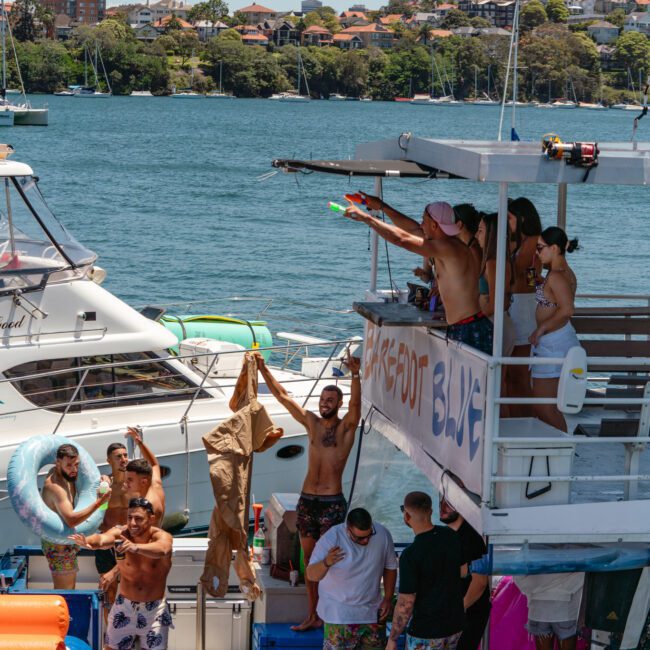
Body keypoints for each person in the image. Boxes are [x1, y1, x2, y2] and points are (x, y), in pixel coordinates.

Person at [254, 351, 361, 631]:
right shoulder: (311, 423)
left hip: (331, 503)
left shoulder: (345, 430)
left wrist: (355, 375)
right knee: (311, 564)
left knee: (330, 563)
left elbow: (357, 410)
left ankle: (330, 615)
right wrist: (263, 369)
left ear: (339, 404)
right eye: (323, 400)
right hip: (307, 502)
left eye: (330, 401)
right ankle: (313, 615)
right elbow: (284, 399)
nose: (325, 404)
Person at [343, 200, 492, 355]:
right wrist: (382, 206)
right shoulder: (446, 244)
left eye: (424, 221)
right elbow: (412, 229)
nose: (421, 225)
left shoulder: (449, 247)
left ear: (434, 225)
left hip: (470, 328)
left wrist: (367, 218)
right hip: (465, 325)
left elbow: (401, 239)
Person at [70, 497, 174, 650]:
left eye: (138, 519)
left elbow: (163, 549)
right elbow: (102, 538)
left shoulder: (161, 536)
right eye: (129, 517)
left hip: (154, 609)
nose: (132, 523)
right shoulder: (121, 534)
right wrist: (88, 542)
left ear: (151, 519)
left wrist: (135, 547)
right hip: (124, 607)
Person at [306, 508, 397, 650]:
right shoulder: (332, 538)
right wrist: (326, 563)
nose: (366, 540)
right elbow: (311, 574)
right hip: (338, 615)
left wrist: (388, 598)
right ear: (348, 530)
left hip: (371, 614)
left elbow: (390, 567)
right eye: (360, 538)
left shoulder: (382, 534)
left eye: (369, 535)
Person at [387, 492, 464, 650]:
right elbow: (462, 571)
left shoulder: (410, 555)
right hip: (455, 626)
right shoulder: (450, 536)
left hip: (426, 632)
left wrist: (393, 638)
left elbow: (405, 604)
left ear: (406, 516)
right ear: (430, 511)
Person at [530, 227, 581, 432]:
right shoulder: (561, 274)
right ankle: (558, 446)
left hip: (554, 344)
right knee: (547, 406)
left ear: (555, 248)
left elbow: (567, 309)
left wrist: (541, 328)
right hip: (557, 341)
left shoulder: (557, 276)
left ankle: (562, 447)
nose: (537, 252)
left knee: (544, 406)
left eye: (540, 248)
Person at [41, 443, 112, 589]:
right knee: (66, 592)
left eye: (77, 465)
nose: (74, 470)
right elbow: (71, 520)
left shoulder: (67, 474)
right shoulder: (56, 488)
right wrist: (99, 503)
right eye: (69, 465)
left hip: (69, 541)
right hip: (59, 546)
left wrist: (104, 479)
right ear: (58, 463)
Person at [439, 497, 490, 650]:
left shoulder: (471, 538)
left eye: (450, 504)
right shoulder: (447, 535)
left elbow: (480, 582)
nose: (443, 507)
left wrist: (459, 609)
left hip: (469, 614)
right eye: (441, 502)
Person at [507, 198, 543, 416]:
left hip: (522, 307)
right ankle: (515, 415)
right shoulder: (519, 243)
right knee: (510, 371)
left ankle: (527, 417)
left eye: (510, 218)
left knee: (519, 372)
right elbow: (530, 279)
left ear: (521, 219)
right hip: (518, 303)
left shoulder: (531, 243)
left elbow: (518, 270)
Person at [96, 441, 130, 617]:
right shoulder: (105, 486)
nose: (123, 459)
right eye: (118, 457)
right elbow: (99, 516)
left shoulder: (135, 484)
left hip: (128, 542)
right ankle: (110, 637)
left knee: (129, 592)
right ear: (109, 460)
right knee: (108, 593)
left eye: (125, 455)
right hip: (108, 543)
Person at [476, 212, 515, 358]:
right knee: (500, 379)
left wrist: (474, 319)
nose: (476, 235)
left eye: (480, 231)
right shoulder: (501, 260)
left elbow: (495, 304)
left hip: (494, 325)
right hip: (500, 323)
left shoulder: (493, 263)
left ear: (492, 234)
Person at [514, 572, 585, 650]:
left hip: (539, 608)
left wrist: (538, 587)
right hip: (565, 609)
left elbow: (518, 575)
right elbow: (585, 572)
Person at [122, 426, 165, 524]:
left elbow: (137, 531)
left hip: (147, 539)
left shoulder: (145, 505)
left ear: (144, 482)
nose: (126, 482)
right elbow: (154, 464)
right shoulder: (155, 484)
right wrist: (139, 442)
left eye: (130, 480)